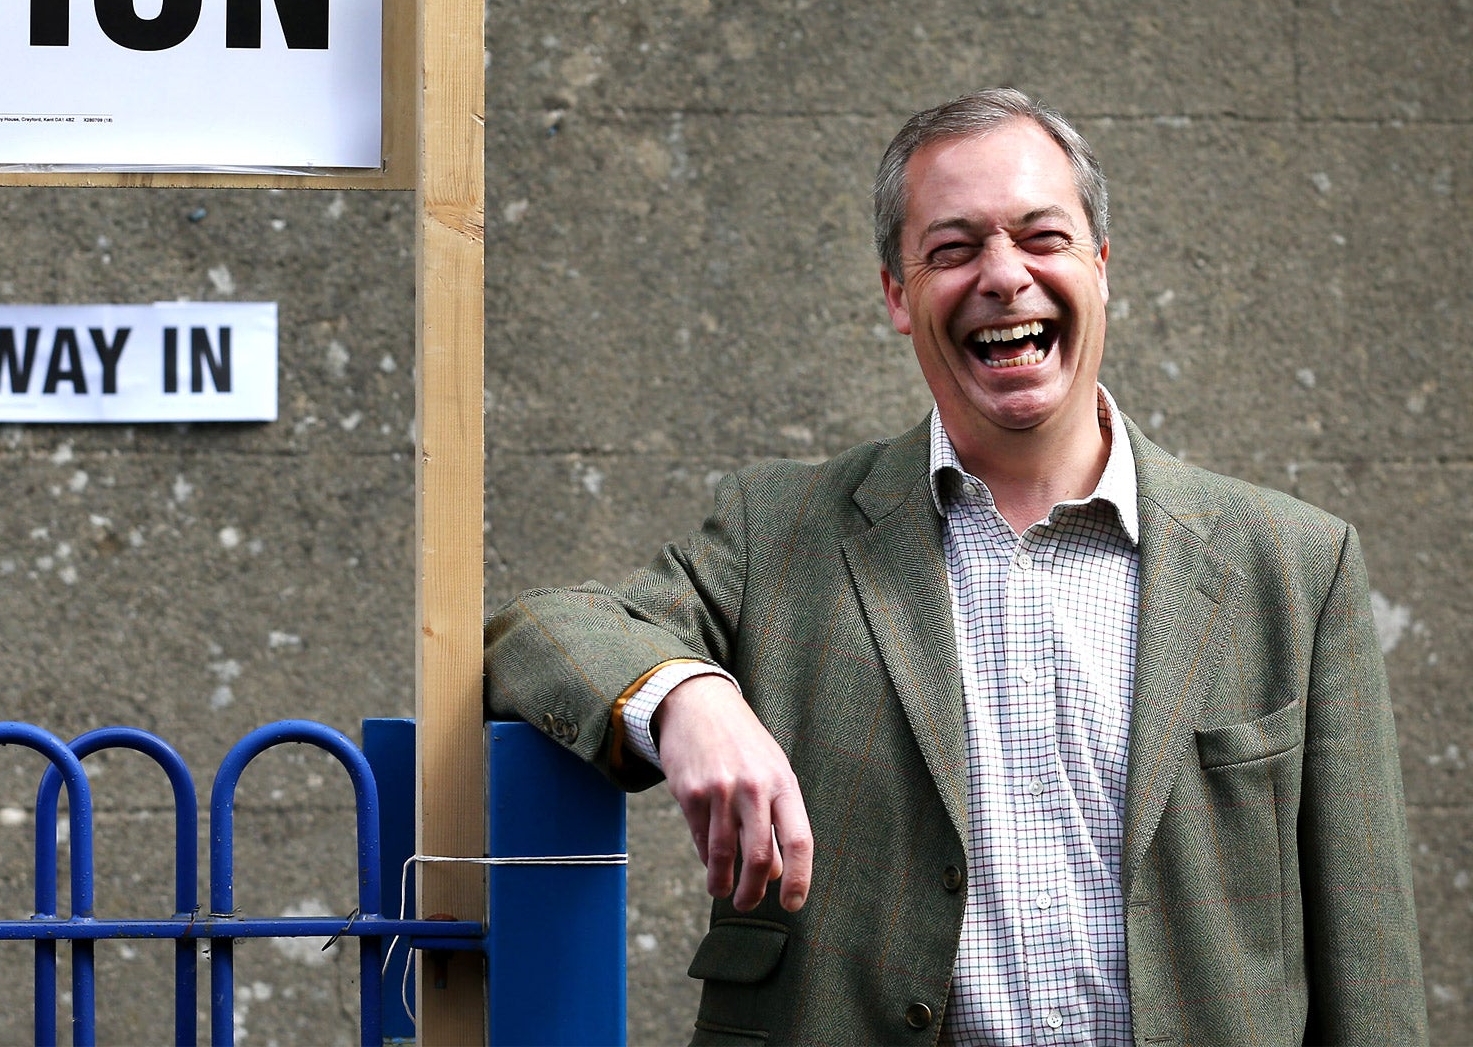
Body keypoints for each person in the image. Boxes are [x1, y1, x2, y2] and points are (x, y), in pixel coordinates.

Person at [485, 88, 1425, 1046]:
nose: (1004, 276)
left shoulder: (1295, 567)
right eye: (954, 248)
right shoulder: (779, 535)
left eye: (1042, 237)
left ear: (1101, 268)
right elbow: (537, 631)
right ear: (897, 294)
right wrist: (687, 697)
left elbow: (1371, 972)